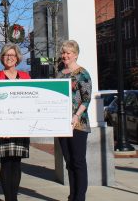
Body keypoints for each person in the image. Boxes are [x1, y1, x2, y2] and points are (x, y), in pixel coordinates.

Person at [0, 43, 30, 201]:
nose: (9, 58)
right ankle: (9, 198)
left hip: (21, 126)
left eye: (12, 55)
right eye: (6, 55)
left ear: (17, 58)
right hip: (2, 127)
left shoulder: (26, 76)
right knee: (6, 163)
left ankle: (13, 196)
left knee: (16, 163)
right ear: (2, 57)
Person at [56, 40, 92, 201]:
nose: (65, 56)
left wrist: (76, 115)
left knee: (78, 161)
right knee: (69, 162)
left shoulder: (82, 73)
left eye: (68, 53)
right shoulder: (60, 74)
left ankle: (80, 197)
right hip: (61, 124)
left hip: (78, 124)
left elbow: (86, 99)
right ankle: (72, 196)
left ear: (75, 54)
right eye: (63, 53)